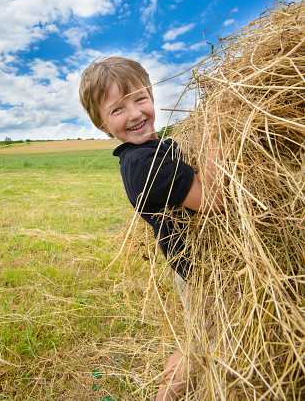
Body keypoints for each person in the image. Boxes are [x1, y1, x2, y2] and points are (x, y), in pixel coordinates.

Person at [79, 56, 225, 401]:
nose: (133, 114)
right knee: (199, 345)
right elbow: (214, 198)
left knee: (204, 338)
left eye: (140, 99)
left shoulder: (157, 148)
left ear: (152, 99)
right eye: (117, 109)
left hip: (212, 258)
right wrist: (219, 129)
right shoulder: (144, 164)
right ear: (102, 124)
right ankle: (166, 395)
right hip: (202, 269)